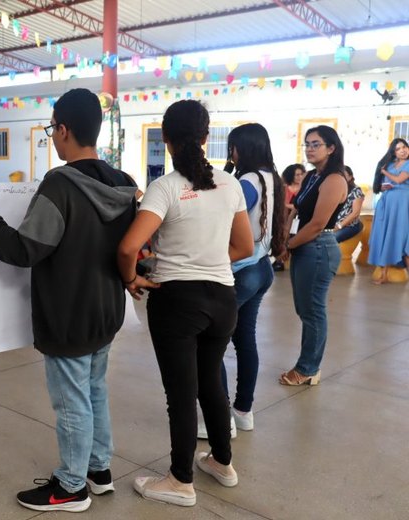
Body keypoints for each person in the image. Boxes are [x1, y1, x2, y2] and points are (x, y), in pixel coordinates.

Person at [0, 88, 138, 513]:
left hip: (68, 314)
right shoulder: (123, 184)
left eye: (53, 128)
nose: (53, 136)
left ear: (64, 130)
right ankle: (98, 470)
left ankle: (71, 487)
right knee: (94, 390)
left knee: (71, 401)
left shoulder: (61, 184)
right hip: (107, 309)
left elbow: (25, 250)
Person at [116, 100, 253, 507]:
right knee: (211, 381)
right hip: (223, 299)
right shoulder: (230, 184)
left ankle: (180, 480)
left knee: (181, 392)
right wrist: (207, 260)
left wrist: (130, 279)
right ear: (208, 137)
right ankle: (222, 463)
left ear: (167, 139)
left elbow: (128, 248)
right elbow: (244, 246)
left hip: (177, 301)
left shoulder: (165, 187)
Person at [216, 123, 285, 434]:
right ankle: (243, 411)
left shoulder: (246, 181)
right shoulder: (273, 177)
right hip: (262, 268)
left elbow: (221, 211)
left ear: (241, 148)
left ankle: (220, 420)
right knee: (245, 341)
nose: (231, 153)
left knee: (211, 343)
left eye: (232, 147)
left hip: (240, 271)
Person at [277, 125, 347, 385]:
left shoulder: (334, 179)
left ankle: (308, 368)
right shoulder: (310, 176)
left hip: (319, 247)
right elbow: (296, 210)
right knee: (305, 308)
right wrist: (285, 236)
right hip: (304, 245)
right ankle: (308, 364)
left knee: (313, 311)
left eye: (316, 144)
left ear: (331, 148)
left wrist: (290, 246)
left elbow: (318, 223)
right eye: (307, 144)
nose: (309, 148)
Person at [368, 138, 409, 283]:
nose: (402, 150)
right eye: (398, 149)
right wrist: (382, 186)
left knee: (402, 236)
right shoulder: (390, 164)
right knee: (385, 235)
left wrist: (384, 171)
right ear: (394, 152)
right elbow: (385, 182)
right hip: (387, 202)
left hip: (403, 204)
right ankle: (383, 275)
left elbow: (399, 180)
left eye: (404, 147)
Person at [334, 166, 364, 243]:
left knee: (332, 239)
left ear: (350, 177)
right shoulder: (336, 189)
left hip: (349, 226)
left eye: (344, 175)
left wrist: (339, 226)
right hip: (334, 224)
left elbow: (355, 213)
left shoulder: (356, 191)